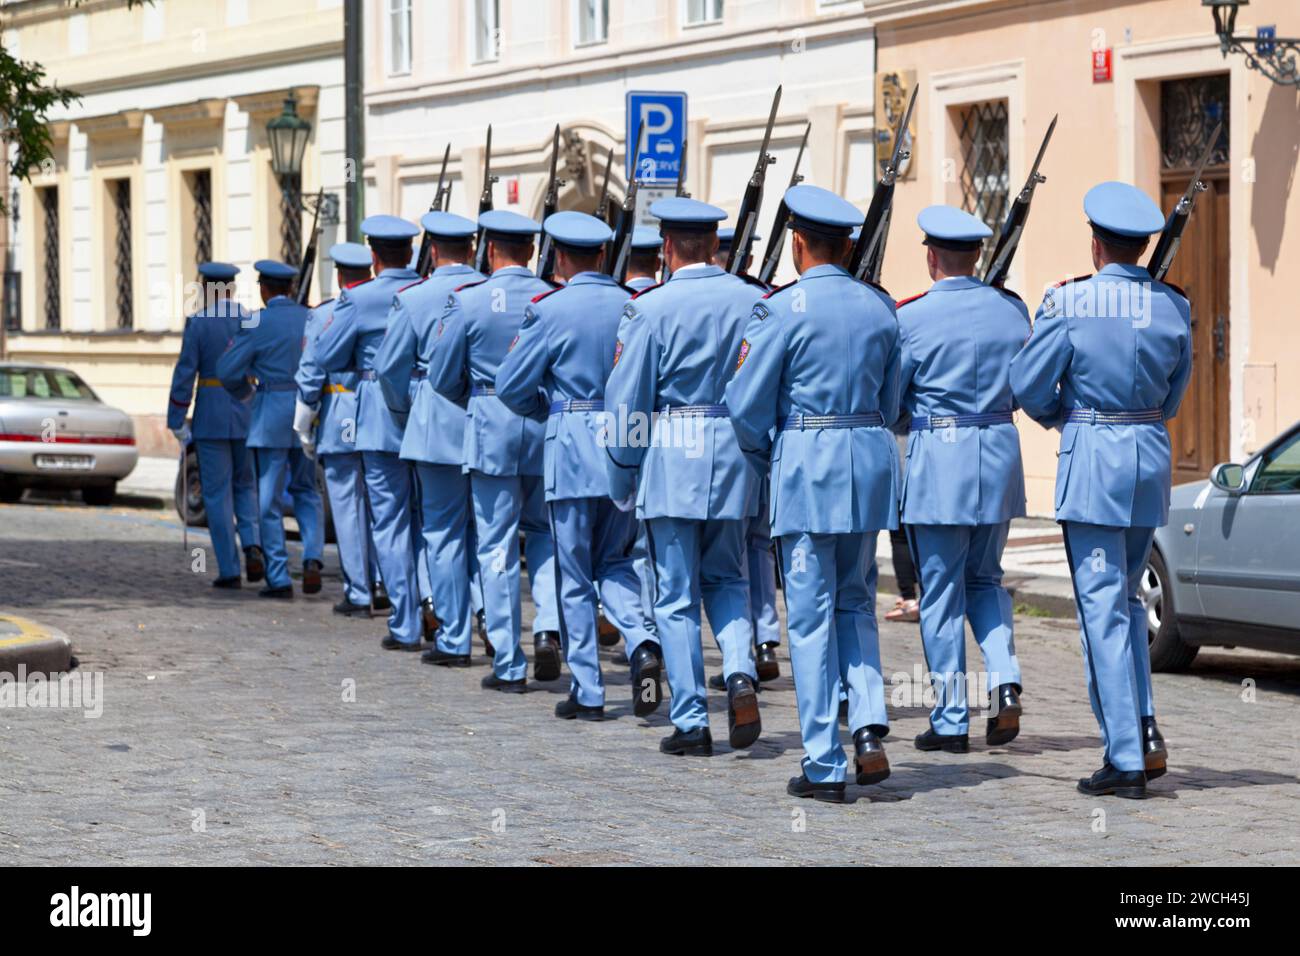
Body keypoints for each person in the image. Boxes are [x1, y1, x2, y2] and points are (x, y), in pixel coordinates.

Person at [1010, 181, 1191, 799]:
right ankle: (1144, 729)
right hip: (1147, 461)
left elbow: (1028, 384)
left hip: (1093, 464)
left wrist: (1070, 417)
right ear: (1141, 248)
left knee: (1104, 614)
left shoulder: (1070, 304)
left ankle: (1125, 755)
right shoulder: (1172, 306)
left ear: (1095, 245)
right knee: (1129, 605)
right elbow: (1171, 396)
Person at [725, 184, 900, 803]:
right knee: (855, 601)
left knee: (809, 614)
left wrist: (763, 453)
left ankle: (824, 760)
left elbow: (744, 406)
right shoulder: (880, 307)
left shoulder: (783, 309)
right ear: (848, 244)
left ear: (797, 242)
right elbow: (894, 400)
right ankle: (872, 734)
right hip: (868, 466)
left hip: (806, 467)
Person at [604, 196, 764, 757]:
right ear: (716, 246)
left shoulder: (651, 307)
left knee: (673, 596)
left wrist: (622, 472)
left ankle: (692, 719)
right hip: (734, 453)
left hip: (674, 453)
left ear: (667, 248)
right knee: (728, 580)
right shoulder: (755, 300)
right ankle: (741, 674)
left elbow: (629, 400)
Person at [495, 211, 664, 720]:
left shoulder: (550, 309)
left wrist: (547, 411)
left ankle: (588, 690)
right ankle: (641, 641)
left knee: (572, 572)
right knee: (614, 560)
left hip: (571, 447)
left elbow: (510, 386)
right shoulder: (634, 304)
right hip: (624, 445)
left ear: (560, 256)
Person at [896, 205, 1029, 754]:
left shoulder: (911, 317)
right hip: (997, 455)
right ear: (976, 257)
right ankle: (1004, 681)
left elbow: (890, 401)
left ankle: (951, 718)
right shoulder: (1013, 312)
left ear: (931, 257)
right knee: (986, 581)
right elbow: (1027, 385)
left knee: (942, 592)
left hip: (939, 463)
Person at [424, 209, 561, 693]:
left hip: (489, 426)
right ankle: (548, 627)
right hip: (546, 426)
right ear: (530, 249)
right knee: (545, 535)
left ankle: (509, 660)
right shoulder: (553, 296)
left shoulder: (468, 302)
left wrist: (480, 400)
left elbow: (441, 377)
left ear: (489, 248)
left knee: (496, 544)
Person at [373, 211, 485, 666]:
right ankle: (493, 624)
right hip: (488, 422)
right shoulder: (490, 290)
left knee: (441, 533)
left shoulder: (413, 298)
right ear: (475, 250)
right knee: (489, 534)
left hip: (435, 423)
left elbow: (389, 368)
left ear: (433, 251)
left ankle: (455, 637)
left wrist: (404, 413)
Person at [311, 216, 425, 650]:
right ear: (411, 254)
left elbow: (325, 354)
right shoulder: (434, 290)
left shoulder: (358, 299)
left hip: (379, 413)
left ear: (374, 257)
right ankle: (438, 607)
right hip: (432, 412)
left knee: (391, 522)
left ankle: (406, 622)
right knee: (434, 520)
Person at [216, 260, 325, 599]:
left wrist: (246, 393)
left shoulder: (256, 322)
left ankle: (278, 576)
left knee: (269, 499)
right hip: (309, 410)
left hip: (271, 412)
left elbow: (227, 368)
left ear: (263, 289)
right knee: (307, 490)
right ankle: (312, 560)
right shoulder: (311, 318)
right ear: (291, 289)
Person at [294, 242, 378, 617]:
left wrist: (304, 418)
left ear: (341, 276)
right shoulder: (389, 305)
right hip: (382, 414)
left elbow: (311, 370)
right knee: (385, 508)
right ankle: (387, 584)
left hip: (341, 412)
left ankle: (359, 591)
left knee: (346, 507)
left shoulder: (327, 314)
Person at [166, 262, 262, 588]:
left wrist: (176, 418)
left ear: (206, 289)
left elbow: (185, 373)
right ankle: (252, 544)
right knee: (246, 486)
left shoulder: (198, 323)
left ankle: (230, 569)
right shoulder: (250, 319)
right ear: (232, 289)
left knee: (217, 494)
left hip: (211, 414)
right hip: (247, 410)